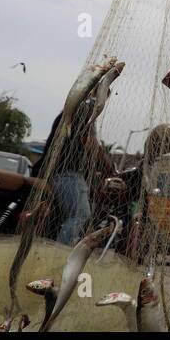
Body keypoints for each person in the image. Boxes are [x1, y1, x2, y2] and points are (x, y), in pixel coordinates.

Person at [31, 103, 114, 245]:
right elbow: (90, 143)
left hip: (54, 172)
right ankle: (60, 253)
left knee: (63, 216)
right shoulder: (82, 113)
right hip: (66, 174)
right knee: (80, 214)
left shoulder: (67, 115)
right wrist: (109, 167)